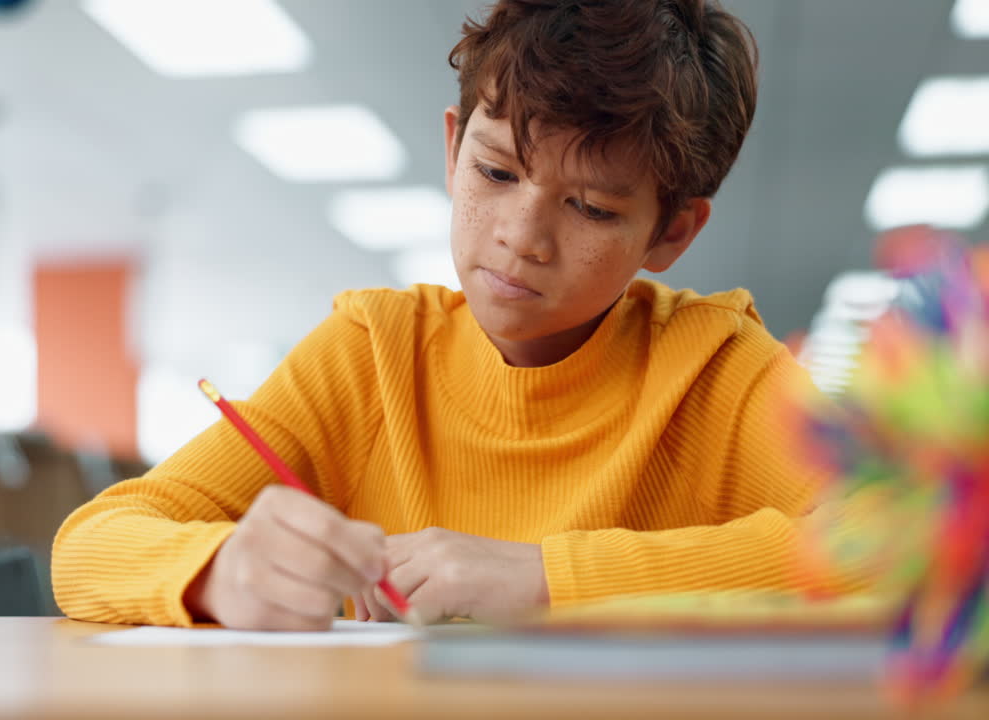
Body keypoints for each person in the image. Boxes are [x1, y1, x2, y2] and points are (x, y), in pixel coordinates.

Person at [52, 0, 845, 630]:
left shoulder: (717, 369)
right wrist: (219, 571)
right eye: (496, 171)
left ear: (671, 232)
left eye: (592, 208)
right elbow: (88, 548)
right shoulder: (371, 355)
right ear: (452, 146)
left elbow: (916, 545)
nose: (519, 237)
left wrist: (548, 581)